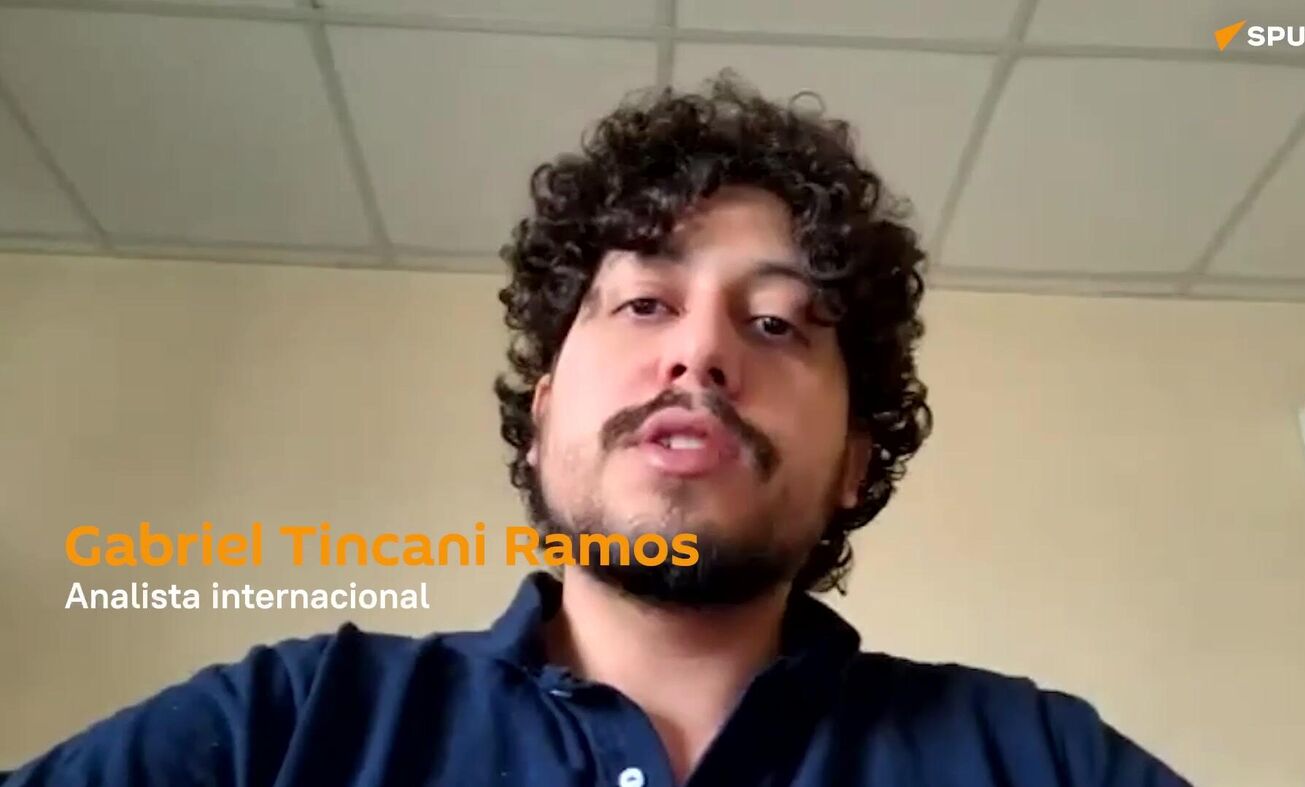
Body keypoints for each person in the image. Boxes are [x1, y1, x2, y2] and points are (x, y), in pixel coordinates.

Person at [6, 73, 1191, 786]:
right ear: (541, 418)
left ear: (851, 464)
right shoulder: (294, 722)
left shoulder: (1033, 756)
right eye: (642, 305)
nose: (701, 353)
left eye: (776, 324)